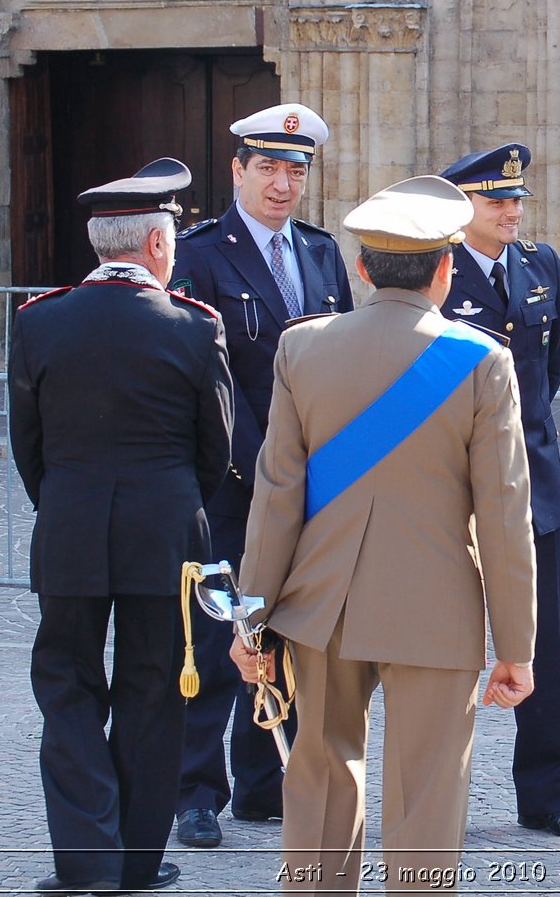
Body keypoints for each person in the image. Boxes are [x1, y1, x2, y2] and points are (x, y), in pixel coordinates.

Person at [231, 175, 538, 894]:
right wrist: (516, 646)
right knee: (428, 797)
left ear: (363, 269)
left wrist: (252, 620)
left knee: (319, 783)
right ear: (446, 268)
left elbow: (275, 498)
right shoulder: (482, 361)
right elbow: (503, 513)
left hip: (320, 604)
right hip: (435, 610)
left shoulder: (302, 349)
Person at [10, 158, 234, 896]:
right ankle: (135, 862)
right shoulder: (195, 328)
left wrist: (69, 503)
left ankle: (86, 861)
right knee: (153, 690)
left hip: (70, 526)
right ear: (159, 247)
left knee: (69, 688)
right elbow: (217, 451)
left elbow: (28, 447)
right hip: (166, 536)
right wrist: (170, 505)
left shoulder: (39, 321)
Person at [169, 102, 354, 847]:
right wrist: (259, 464)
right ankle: (193, 790)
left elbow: (338, 367)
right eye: (268, 168)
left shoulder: (320, 253)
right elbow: (203, 373)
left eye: (295, 170)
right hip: (227, 480)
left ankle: (261, 781)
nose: (283, 184)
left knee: (281, 626)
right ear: (238, 171)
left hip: (305, 483)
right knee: (215, 636)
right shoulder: (201, 255)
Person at [436, 143, 560, 839]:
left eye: (516, 199)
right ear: (460, 207)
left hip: (532, 481)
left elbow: (547, 372)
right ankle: (438, 790)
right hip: (453, 488)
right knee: (445, 646)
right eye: (494, 198)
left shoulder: (541, 266)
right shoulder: (435, 272)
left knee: (542, 649)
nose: (510, 209)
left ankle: (546, 793)